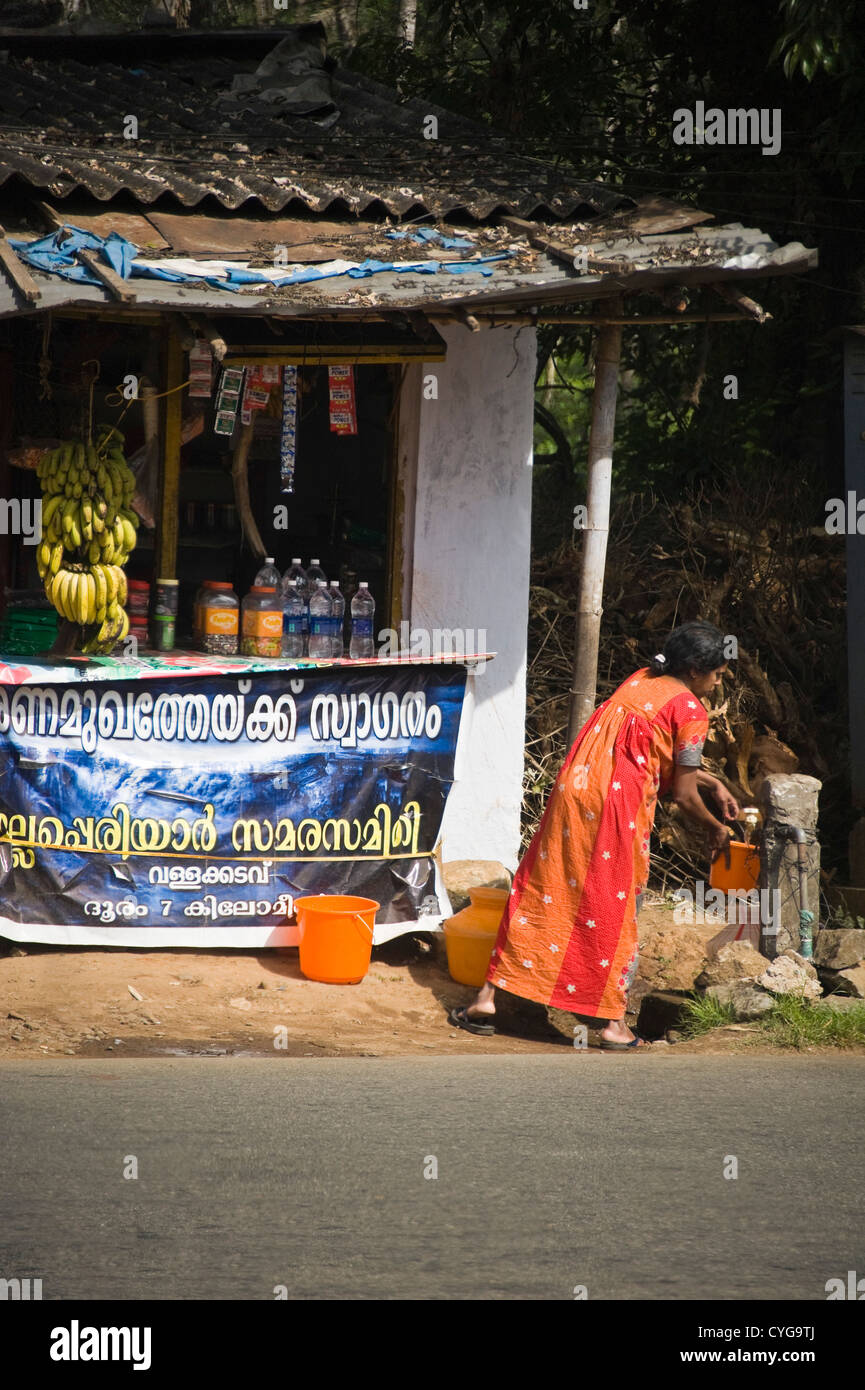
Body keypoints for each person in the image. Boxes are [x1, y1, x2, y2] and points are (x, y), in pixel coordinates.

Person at [450, 621, 740, 1049]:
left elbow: (646, 749)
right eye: (716, 673)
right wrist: (716, 828)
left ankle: (487, 1001)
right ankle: (612, 1025)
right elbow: (681, 793)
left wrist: (710, 781)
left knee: (542, 890)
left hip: (575, 792)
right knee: (613, 905)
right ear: (697, 670)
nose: (718, 682)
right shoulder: (691, 710)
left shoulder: (642, 680)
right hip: (614, 811)